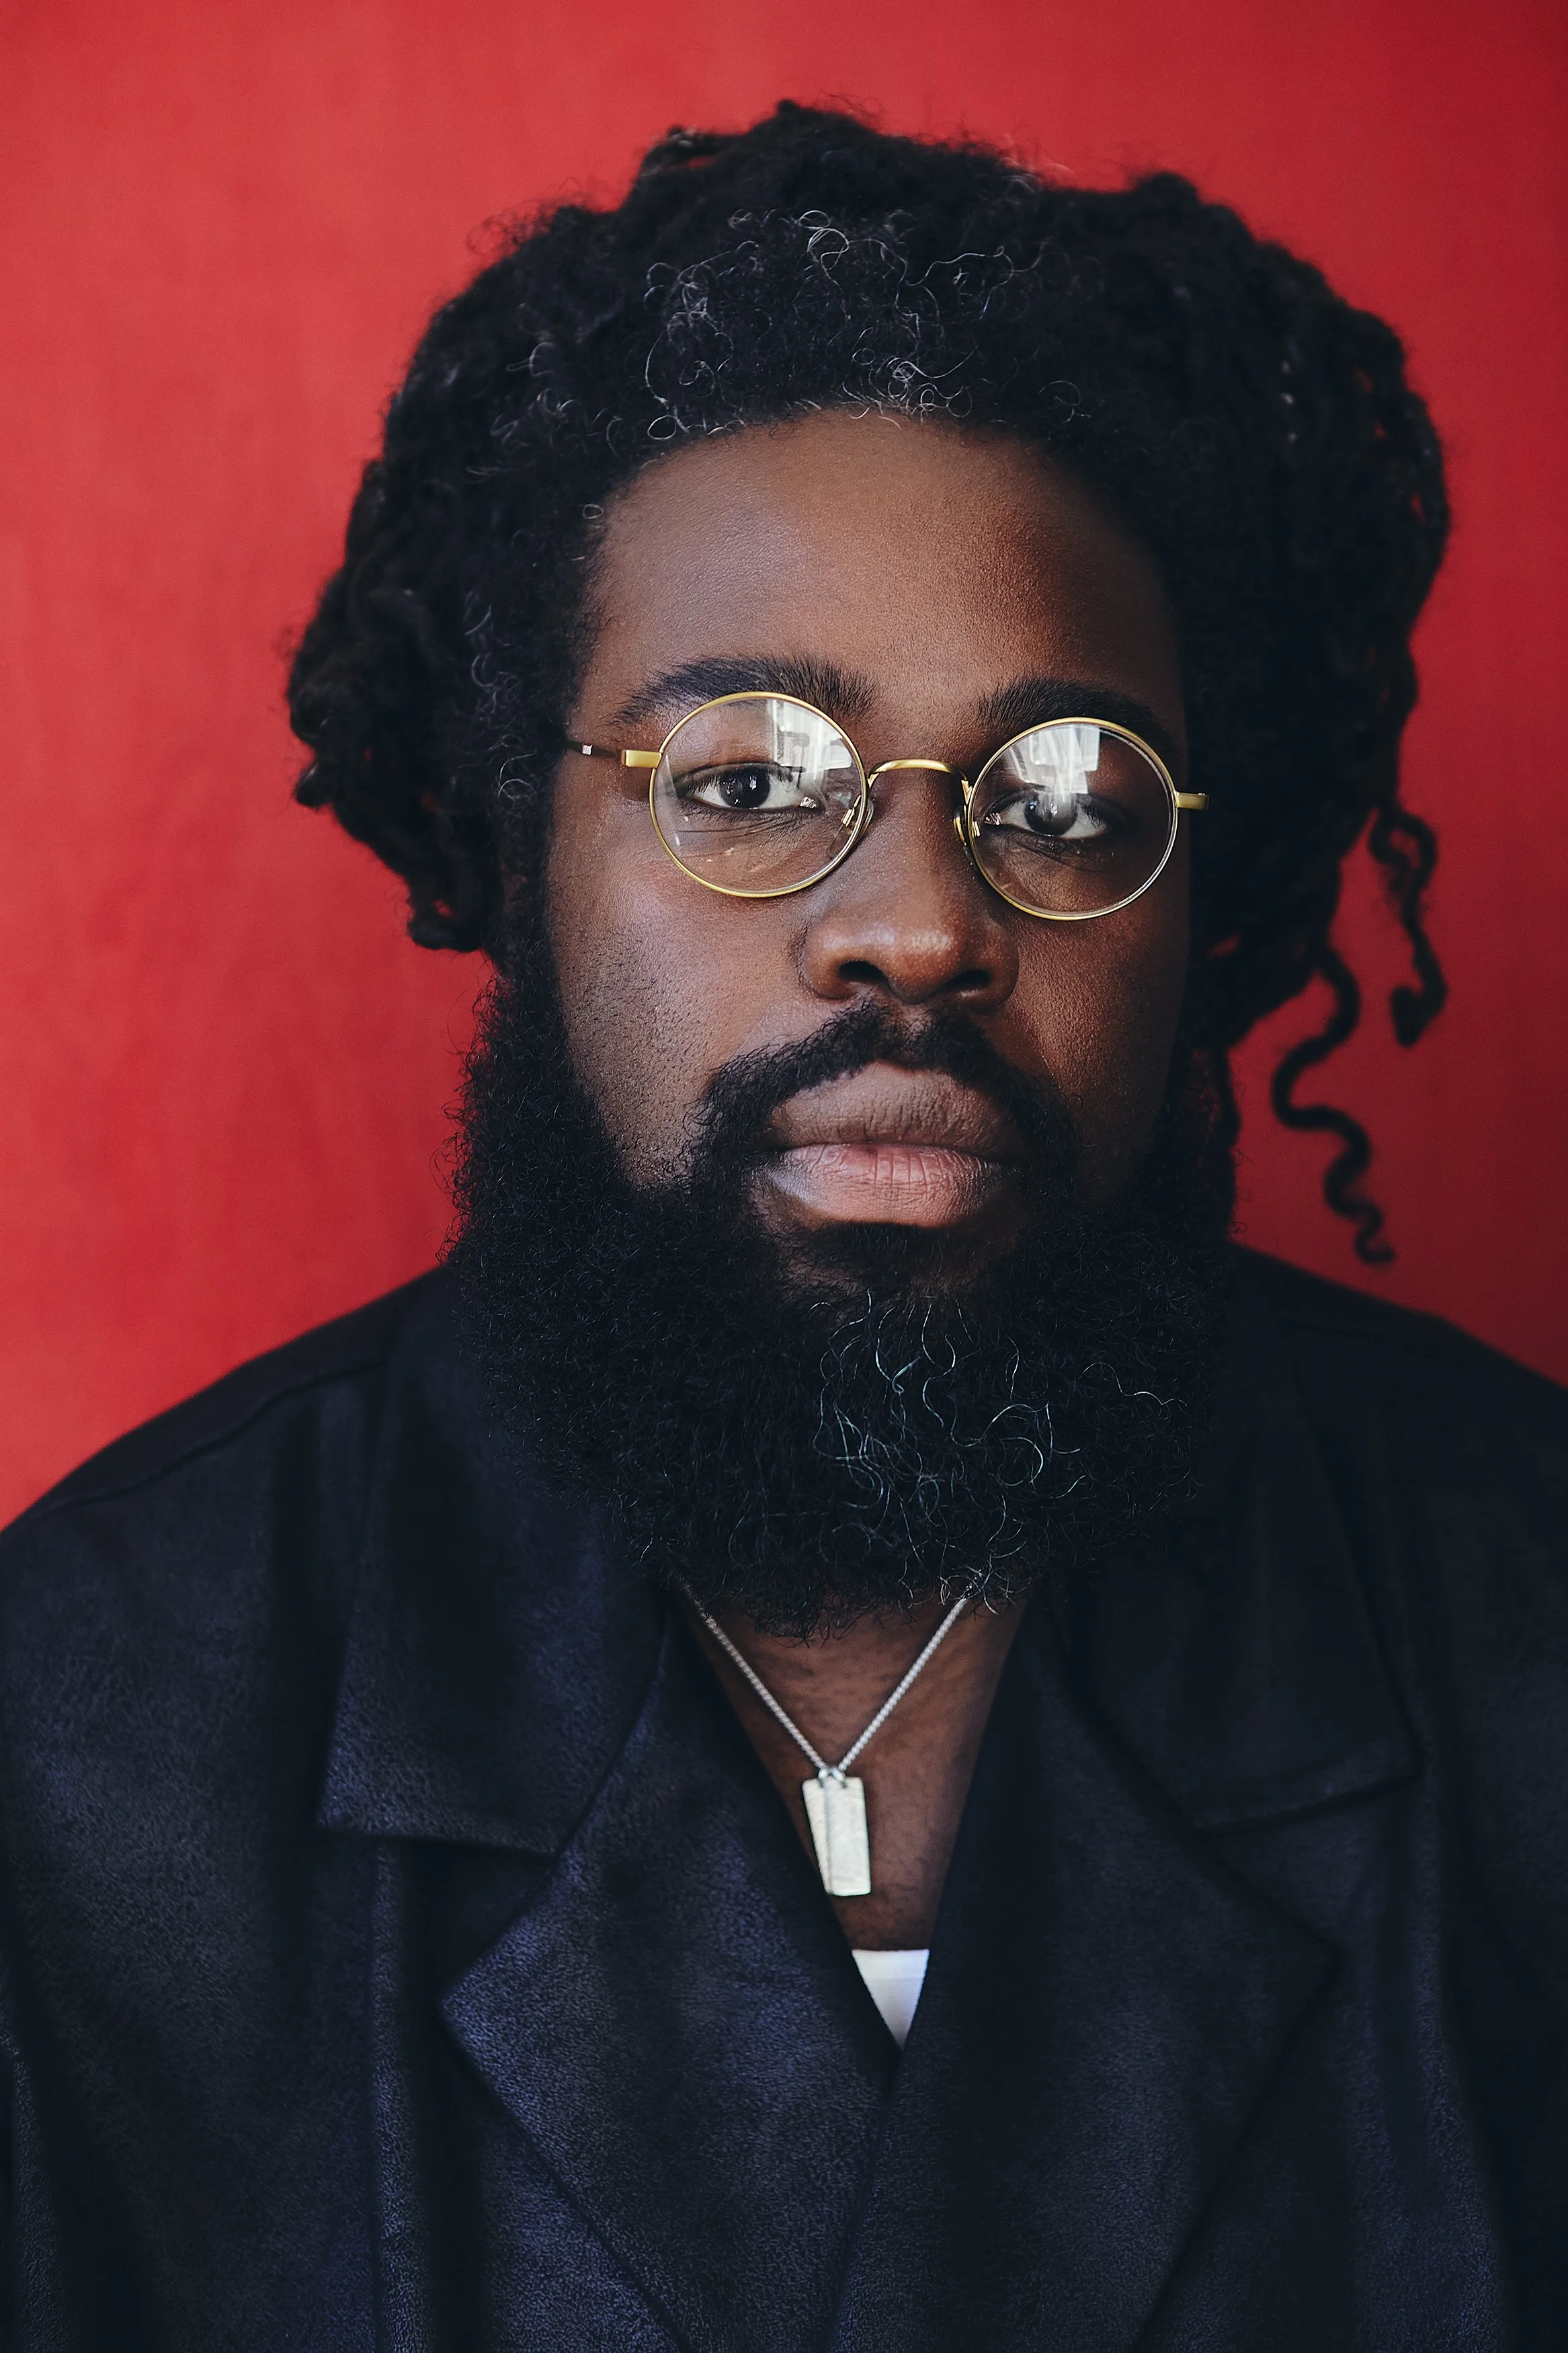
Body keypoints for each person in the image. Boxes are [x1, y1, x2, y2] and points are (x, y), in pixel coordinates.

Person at [1, 102, 1563, 2352]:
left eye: (1067, 796)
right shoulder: (75, 1731)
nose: (917, 925)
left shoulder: (1522, 1619)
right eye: (743, 778)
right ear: (506, 831)